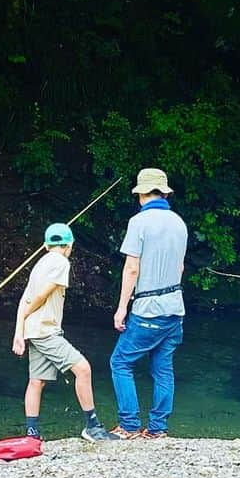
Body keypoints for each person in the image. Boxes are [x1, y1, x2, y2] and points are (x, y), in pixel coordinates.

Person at [12, 223, 111, 443]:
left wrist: (19, 331)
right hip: (46, 331)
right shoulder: (61, 262)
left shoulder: (40, 263)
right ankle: (92, 427)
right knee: (83, 369)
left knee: (36, 381)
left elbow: (24, 298)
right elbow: (41, 296)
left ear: (46, 245)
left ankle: (32, 434)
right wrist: (25, 319)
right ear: (70, 245)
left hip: (34, 330)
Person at [109, 167, 188, 440]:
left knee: (120, 362)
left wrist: (121, 309)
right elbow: (179, 268)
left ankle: (129, 425)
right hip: (175, 309)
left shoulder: (138, 223)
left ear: (142, 194)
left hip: (147, 310)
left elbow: (131, 268)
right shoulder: (179, 222)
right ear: (164, 193)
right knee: (163, 369)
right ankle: (158, 429)